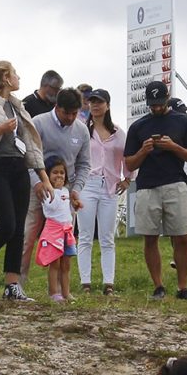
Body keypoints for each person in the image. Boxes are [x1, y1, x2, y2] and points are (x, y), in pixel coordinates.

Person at [123, 80, 187, 300]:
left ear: (167, 98)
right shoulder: (138, 127)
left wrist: (173, 147)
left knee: (182, 237)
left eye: (159, 103)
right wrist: (143, 151)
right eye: (152, 104)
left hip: (176, 183)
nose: (156, 108)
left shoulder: (183, 121)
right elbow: (129, 164)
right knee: (150, 237)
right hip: (147, 186)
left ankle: (183, 287)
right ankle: (158, 285)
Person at [0, 61, 44, 300]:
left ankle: (12, 286)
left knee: (18, 229)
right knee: (6, 225)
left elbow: (30, 143)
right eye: (14, 74)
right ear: (5, 78)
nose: (18, 77)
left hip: (19, 166)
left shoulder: (17, 106)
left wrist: (42, 174)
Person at [24, 86, 89, 275]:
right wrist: (36, 182)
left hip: (66, 191)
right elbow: (28, 156)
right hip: (38, 186)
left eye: (74, 113)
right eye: (66, 113)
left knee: (66, 240)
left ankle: (61, 290)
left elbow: (84, 164)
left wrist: (75, 190)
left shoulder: (82, 130)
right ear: (57, 107)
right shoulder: (39, 123)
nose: (70, 118)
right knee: (28, 235)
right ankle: (16, 284)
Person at [77, 88, 126, 294]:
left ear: (107, 105)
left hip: (110, 186)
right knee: (85, 235)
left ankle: (109, 282)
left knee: (107, 237)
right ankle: (85, 282)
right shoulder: (82, 129)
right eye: (92, 102)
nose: (95, 106)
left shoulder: (117, 132)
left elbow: (127, 155)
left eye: (99, 102)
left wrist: (129, 178)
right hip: (88, 184)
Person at [32, 154, 77, 302]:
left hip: (67, 230)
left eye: (62, 172)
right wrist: (55, 191)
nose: (59, 176)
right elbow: (51, 208)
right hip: (53, 231)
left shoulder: (66, 191)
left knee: (66, 264)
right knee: (55, 263)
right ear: (48, 175)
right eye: (55, 172)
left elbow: (66, 209)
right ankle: (53, 292)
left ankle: (66, 292)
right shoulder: (47, 191)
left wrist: (76, 205)